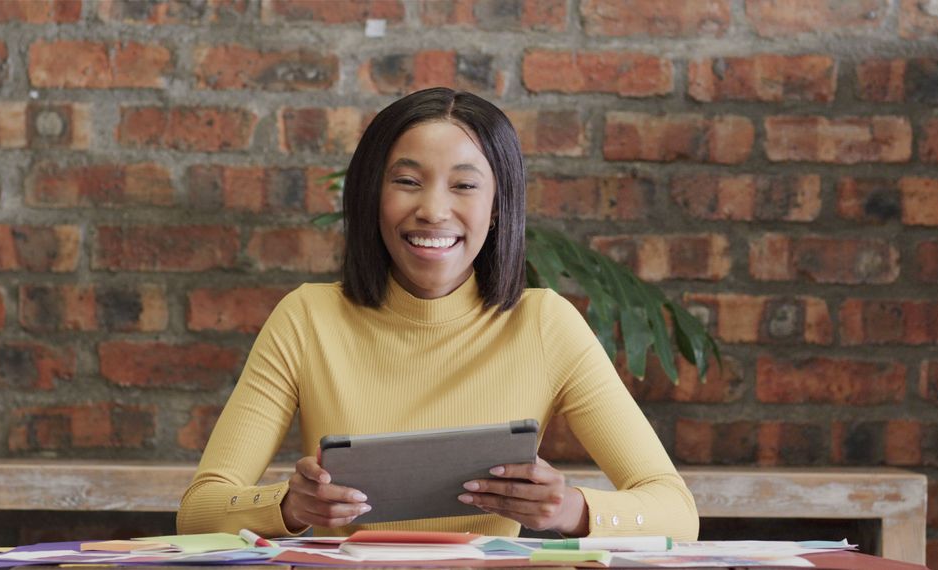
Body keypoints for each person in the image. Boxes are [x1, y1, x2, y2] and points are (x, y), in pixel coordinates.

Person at [176, 87, 699, 540]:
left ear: (497, 208)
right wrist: (287, 507)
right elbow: (198, 512)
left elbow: (677, 512)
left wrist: (571, 509)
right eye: (407, 180)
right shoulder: (307, 318)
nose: (433, 209)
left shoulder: (544, 324)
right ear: (372, 196)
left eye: (465, 185)